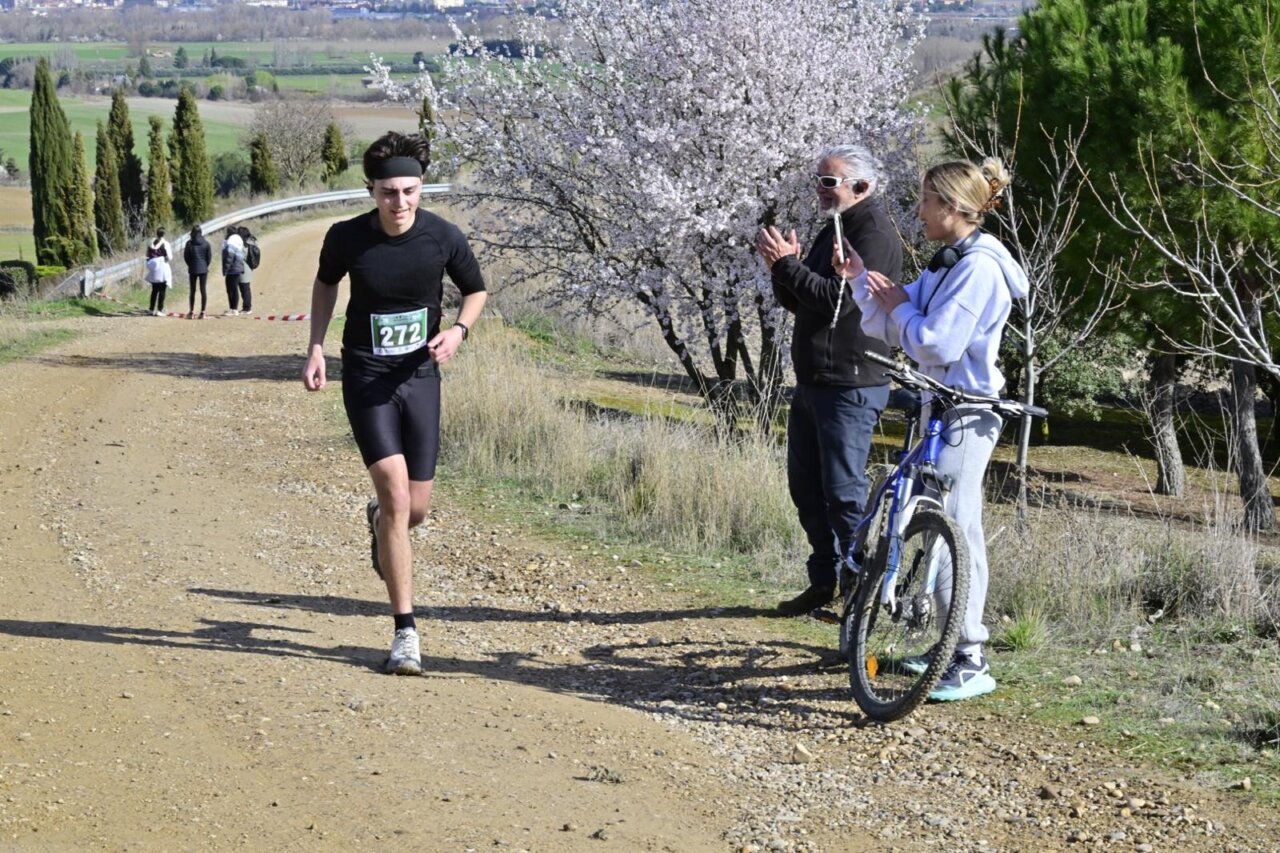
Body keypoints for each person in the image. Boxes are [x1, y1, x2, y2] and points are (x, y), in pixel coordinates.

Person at [836, 156, 1027, 702]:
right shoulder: (948, 262)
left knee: (957, 526)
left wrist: (898, 310)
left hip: (967, 412)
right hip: (938, 406)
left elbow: (934, 342)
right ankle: (948, 643)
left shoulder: (979, 268)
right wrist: (860, 283)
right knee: (937, 520)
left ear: (950, 206)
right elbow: (896, 321)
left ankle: (968, 656)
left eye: (924, 201)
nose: (917, 212)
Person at [301, 131, 488, 675]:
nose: (399, 203)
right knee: (398, 497)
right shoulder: (347, 238)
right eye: (388, 192)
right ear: (372, 192)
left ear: (421, 187)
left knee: (415, 510)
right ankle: (406, 632)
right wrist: (315, 347)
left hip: (420, 376)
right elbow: (324, 285)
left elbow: (476, 290)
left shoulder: (442, 238)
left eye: (409, 191)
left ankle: (381, 521)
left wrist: (458, 332)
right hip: (367, 377)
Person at [755, 144, 903, 617]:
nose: (818, 190)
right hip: (815, 380)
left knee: (842, 492)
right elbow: (803, 301)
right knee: (806, 486)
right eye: (818, 180)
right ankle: (825, 582)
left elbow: (838, 301)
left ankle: (860, 592)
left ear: (861, 186)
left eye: (828, 181)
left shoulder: (873, 234)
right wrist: (783, 270)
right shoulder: (833, 228)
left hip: (851, 384)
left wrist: (787, 266)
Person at [183, 224, 212, 319]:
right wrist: (205, 265)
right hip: (203, 269)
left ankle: (191, 312)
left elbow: (186, 257)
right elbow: (209, 258)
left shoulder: (189, 244)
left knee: (192, 290)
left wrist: (190, 265)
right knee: (203, 290)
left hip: (193, 269)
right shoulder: (206, 243)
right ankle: (203, 312)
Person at [144, 227, 172, 317]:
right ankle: (160, 309)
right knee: (162, 290)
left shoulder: (150, 243)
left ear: (157, 233)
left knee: (154, 290)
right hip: (163, 268)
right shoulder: (165, 244)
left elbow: (147, 255)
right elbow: (169, 257)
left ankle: (151, 309)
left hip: (153, 269)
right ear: (164, 234)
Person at [221, 227, 246, 315]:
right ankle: (232, 308)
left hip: (233, 268)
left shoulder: (231, 242)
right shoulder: (237, 240)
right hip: (237, 267)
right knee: (231, 288)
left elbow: (229, 257)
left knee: (232, 289)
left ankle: (234, 309)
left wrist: (225, 269)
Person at [236, 226, 258, 316]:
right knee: (246, 289)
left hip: (243, 270)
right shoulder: (251, 243)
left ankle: (247, 308)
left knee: (245, 289)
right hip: (248, 269)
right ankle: (246, 307)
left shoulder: (241, 245)